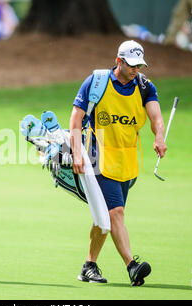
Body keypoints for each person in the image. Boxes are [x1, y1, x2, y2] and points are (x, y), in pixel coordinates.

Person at [70, 40, 167, 286]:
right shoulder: (96, 82)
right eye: (131, 65)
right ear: (119, 61)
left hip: (127, 161)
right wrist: (77, 152)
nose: (136, 70)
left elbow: (156, 116)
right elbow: (75, 120)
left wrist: (158, 136)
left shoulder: (145, 86)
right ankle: (132, 266)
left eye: (139, 65)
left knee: (105, 217)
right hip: (98, 157)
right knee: (116, 212)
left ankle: (88, 266)